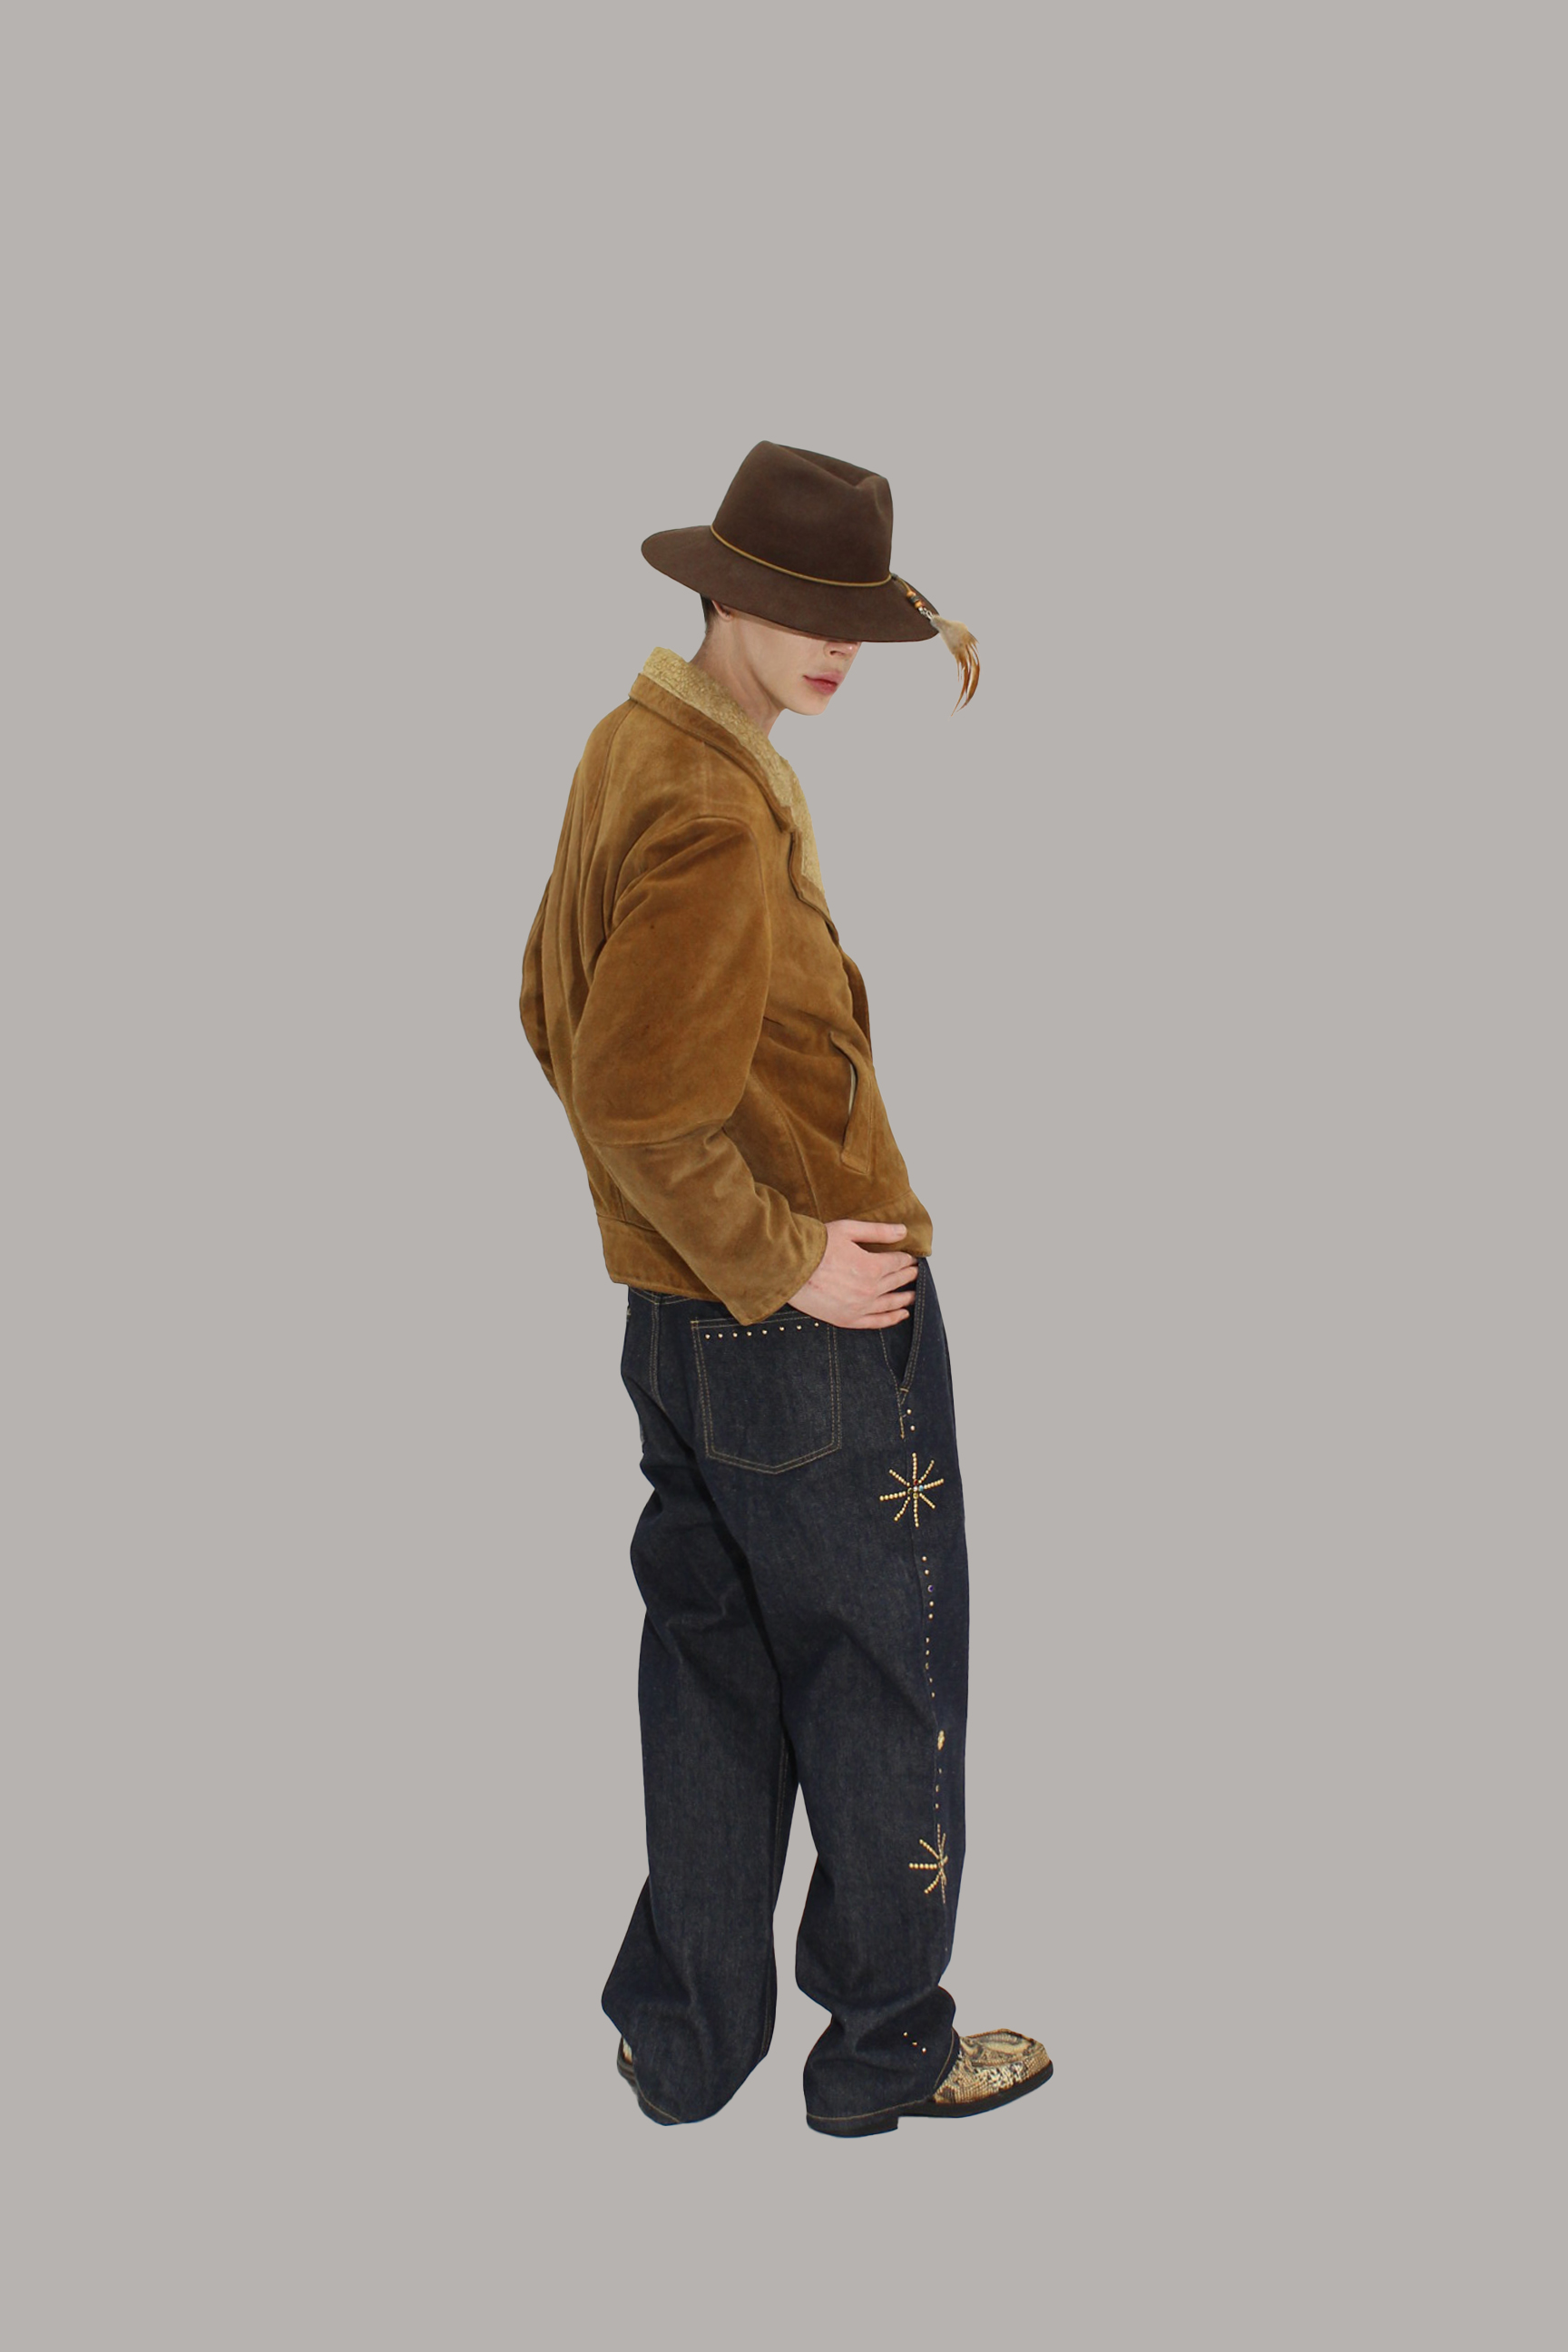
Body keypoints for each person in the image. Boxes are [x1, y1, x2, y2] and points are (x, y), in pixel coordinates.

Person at [518, 441, 1051, 2137]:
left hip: (673, 1327)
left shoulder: (637, 741)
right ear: (724, 592)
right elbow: (634, 1095)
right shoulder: (710, 805)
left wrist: (685, 1252)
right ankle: (885, 2047)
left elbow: (546, 1007)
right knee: (881, 1675)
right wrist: (781, 1254)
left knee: (715, 1674)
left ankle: (686, 2041)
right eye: (801, 608)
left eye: (856, 622)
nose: (836, 647)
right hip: (803, 1333)